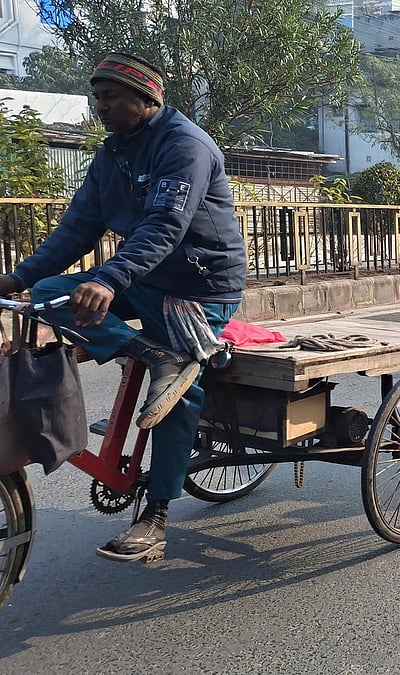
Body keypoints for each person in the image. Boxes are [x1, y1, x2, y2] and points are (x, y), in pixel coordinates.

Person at [0, 52, 246, 562]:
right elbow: (77, 227)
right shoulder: (113, 153)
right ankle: (154, 356)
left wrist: (110, 279)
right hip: (143, 278)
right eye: (97, 98)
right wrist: (19, 276)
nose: (101, 107)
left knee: (178, 397)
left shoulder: (186, 146)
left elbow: (164, 226)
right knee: (49, 294)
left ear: (146, 97)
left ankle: (155, 515)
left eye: (110, 97)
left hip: (198, 287)